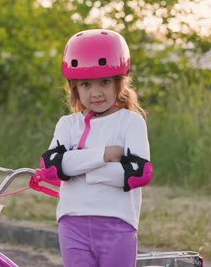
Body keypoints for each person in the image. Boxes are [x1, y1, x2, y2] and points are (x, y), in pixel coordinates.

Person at [40, 29, 153, 267]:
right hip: (72, 224)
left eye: (104, 82)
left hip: (117, 224)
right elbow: (51, 167)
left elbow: (137, 174)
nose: (96, 92)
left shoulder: (130, 122)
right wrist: (103, 155)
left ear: (118, 83)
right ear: (75, 88)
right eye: (86, 84)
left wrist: (77, 169)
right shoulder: (68, 124)